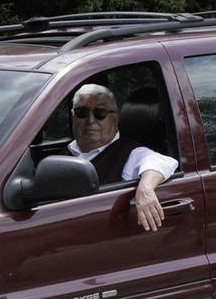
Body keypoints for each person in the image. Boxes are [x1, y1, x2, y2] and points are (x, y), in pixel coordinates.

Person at [66, 84, 178, 231]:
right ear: (73, 116)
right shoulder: (65, 152)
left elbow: (160, 161)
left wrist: (146, 187)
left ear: (115, 117)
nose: (90, 120)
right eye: (82, 112)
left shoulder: (129, 152)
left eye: (100, 112)